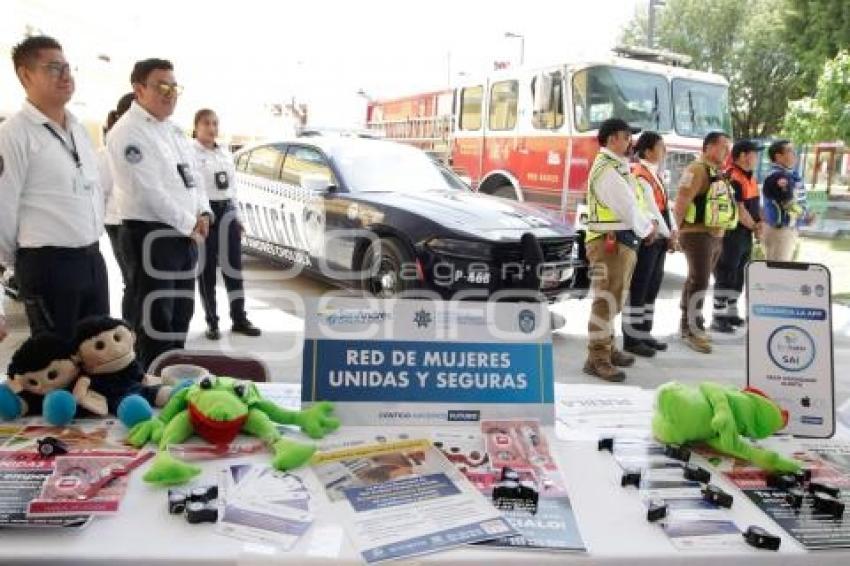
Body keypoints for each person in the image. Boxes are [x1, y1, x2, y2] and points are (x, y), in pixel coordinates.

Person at [0, 36, 108, 340]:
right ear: (26, 75)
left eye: (67, 68)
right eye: (53, 68)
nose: (66, 76)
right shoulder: (13, 134)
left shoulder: (78, 130)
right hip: (48, 265)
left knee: (99, 357)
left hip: (92, 260)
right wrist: (22, 263)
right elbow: (2, 210)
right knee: (58, 363)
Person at [107, 58, 211, 370]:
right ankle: (150, 385)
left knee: (181, 313)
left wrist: (203, 211)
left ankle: (173, 377)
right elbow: (149, 192)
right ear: (139, 89)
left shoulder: (175, 131)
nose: (170, 93)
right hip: (151, 235)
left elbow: (193, 178)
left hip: (183, 236)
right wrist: (190, 222)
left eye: (174, 86)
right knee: (155, 320)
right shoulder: (129, 132)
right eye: (161, 86)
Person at [583, 118, 657, 382]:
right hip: (609, 241)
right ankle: (597, 358)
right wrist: (647, 229)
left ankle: (607, 349)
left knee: (614, 299)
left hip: (618, 240)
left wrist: (646, 226)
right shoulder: (607, 169)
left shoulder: (617, 166)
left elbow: (634, 203)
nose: (631, 142)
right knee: (606, 301)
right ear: (613, 138)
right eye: (626, 136)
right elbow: (626, 205)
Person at [192, 109, 260, 340]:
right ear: (196, 126)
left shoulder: (225, 153)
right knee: (207, 271)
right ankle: (212, 322)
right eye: (206, 123)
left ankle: (239, 318)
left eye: (215, 123)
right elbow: (194, 189)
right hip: (205, 213)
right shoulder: (190, 152)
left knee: (234, 269)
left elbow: (233, 190)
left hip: (227, 211)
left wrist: (238, 217)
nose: (212, 128)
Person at [673, 131, 735, 354]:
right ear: (708, 147)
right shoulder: (696, 169)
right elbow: (682, 200)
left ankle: (687, 326)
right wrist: (674, 231)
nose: (726, 151)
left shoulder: (717, 171)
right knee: (699, 280)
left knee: (696, 279)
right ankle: (693, 329)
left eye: (728, 147)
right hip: (696, 233)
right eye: (722, 146)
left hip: (714, 234)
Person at [622, 131, 677, 357]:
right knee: (639, 289)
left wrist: (673, 231)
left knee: (652, 288)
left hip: (660, 237)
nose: (665, 151)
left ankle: (645, 333)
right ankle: (632, 339)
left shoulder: (655, 174)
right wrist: (667, 233)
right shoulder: (639, 173)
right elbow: (651, 209)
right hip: (648, 238)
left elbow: (665, 208)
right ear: (647, 151)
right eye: (661, 147)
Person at [711, 139, 762, 333]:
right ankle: (718, 317)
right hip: (732, 233)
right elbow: (739, 209)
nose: (756, 157)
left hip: (746, 233)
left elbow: (756, 204)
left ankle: (731, 312)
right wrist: (755, 226)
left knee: (739, 274)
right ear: (742, 156)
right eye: (754, 153)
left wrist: (759, 223)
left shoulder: (750, 177)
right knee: (726, 272)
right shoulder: (732, 176)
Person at [98, 92, 134, 322]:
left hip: (143, 223)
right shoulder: (108, 151)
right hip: (118, 223)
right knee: (132, 281)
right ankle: (130, 331)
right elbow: (100, 192)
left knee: (141, 282)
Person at [762, 140, 809, 261]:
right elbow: (788, 203)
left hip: (785, 229)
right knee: (778, 270)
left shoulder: (787, 174)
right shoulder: (778, 176)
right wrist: (805, 216)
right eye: (789, 151)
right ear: (778, 156)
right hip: (780, 231)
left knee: (782, 269)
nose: (794, 154)